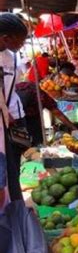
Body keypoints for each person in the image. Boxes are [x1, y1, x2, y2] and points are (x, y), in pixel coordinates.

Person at [0, 12, 28, 203]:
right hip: (2, 122)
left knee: (14, 164)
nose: (22, 45)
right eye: (20, 40)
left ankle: (15, 205)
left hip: (15, 118)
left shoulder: (14, 59)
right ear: (6, 38)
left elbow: (15, 84)